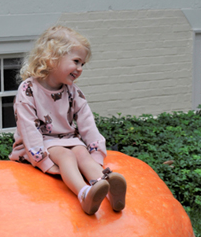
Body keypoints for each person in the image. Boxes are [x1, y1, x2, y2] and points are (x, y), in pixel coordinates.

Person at [9, 25, 127, 215]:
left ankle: (107, 190)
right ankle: (84, 194)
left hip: (67, 140)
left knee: (82, 153)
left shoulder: (73, 92)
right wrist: (45, 163)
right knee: (67, 155)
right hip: (38, 146)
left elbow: (88, 125)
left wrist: (96, 154)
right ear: (52, 58)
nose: (80, 69)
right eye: (76, 61)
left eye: (83, 64)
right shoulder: (28, 90)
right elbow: (29, 131)